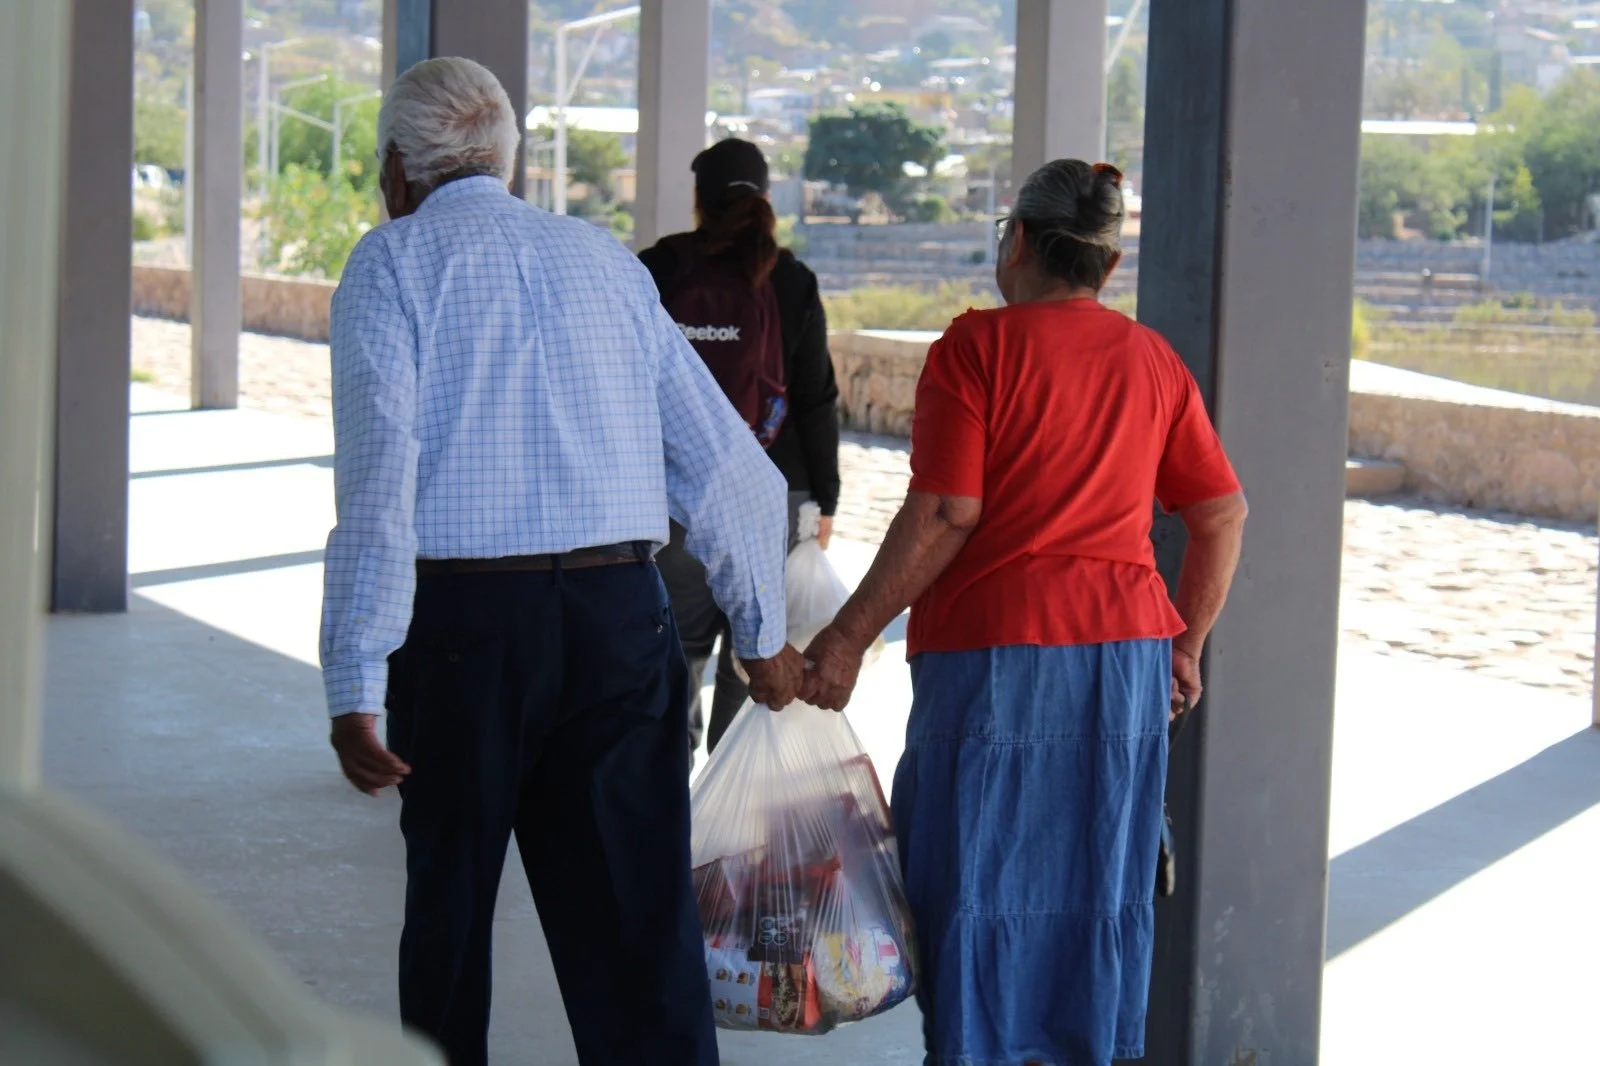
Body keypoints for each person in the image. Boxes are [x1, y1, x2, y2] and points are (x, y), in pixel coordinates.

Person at [319, 57, 803, 1066]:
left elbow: (378, 487)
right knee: (638, 929)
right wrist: (760, 634)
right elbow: (733, 475)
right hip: (621, 621)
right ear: (508, 162)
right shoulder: (605, 263)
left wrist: (355, 677)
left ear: (399, 171)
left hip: (465, 631)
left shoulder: (393, 262)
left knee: (450, 926)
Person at [801, 159, 1248, 1066]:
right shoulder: (1154, 360)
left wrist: (846, 636)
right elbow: (1221, 514)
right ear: (1108, 267)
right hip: (1126, 659)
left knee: (976, 887)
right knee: (1099, 889)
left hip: (998, 659)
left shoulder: (976, 349)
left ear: (1015, 245)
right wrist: (1187, 644)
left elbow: (946, 510)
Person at [637, 138, 841, 757]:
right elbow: (815, 398)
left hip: (674, 494)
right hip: (775, 489)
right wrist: (823, 501)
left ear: (697, 201)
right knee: (757, 656)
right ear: (767, 199)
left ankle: (667, 808)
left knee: (674, 650)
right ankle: (730, 805)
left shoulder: (659, 267)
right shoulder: (793, 280)